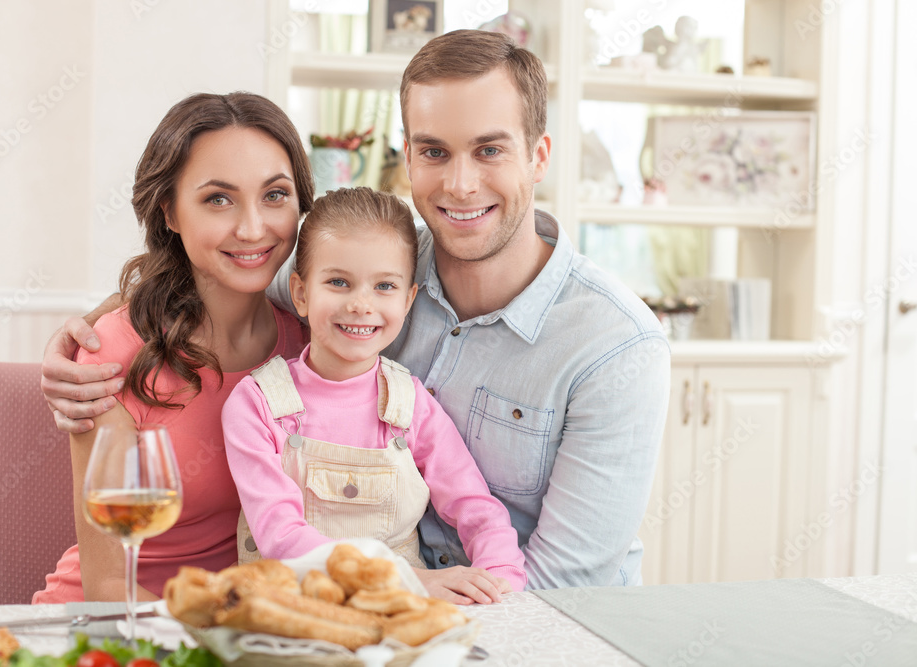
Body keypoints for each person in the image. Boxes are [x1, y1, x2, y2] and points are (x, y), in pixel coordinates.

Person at [40, 30, 671, 593]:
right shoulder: (357, 285)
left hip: (514, 620)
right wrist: (85, 336)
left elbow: (564, 586)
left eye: (489, 150)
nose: (459, 185)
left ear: (538, 156)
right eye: (433, 151)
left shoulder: (616, 346)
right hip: (306, 608)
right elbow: (215, 269)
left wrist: (412, 604)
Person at [32, 92, 313, 603]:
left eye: (275, 195)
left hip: (240, 627)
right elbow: (108, 584)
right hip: (124, 629)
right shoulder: (111, 357)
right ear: (170, 212)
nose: (253, 229)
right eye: (218, 199)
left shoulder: (310, 344)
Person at [222, 187, 526, 604]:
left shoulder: (411, 404)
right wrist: (402, 580)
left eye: (384, 286)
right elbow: (280, 535)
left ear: (408, 300)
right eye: (338, 282)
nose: (361, 304)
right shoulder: (256, 404)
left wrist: (501, 581)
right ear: (301, 293)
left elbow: (477, 509)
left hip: (400, 618)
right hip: (290, 618)